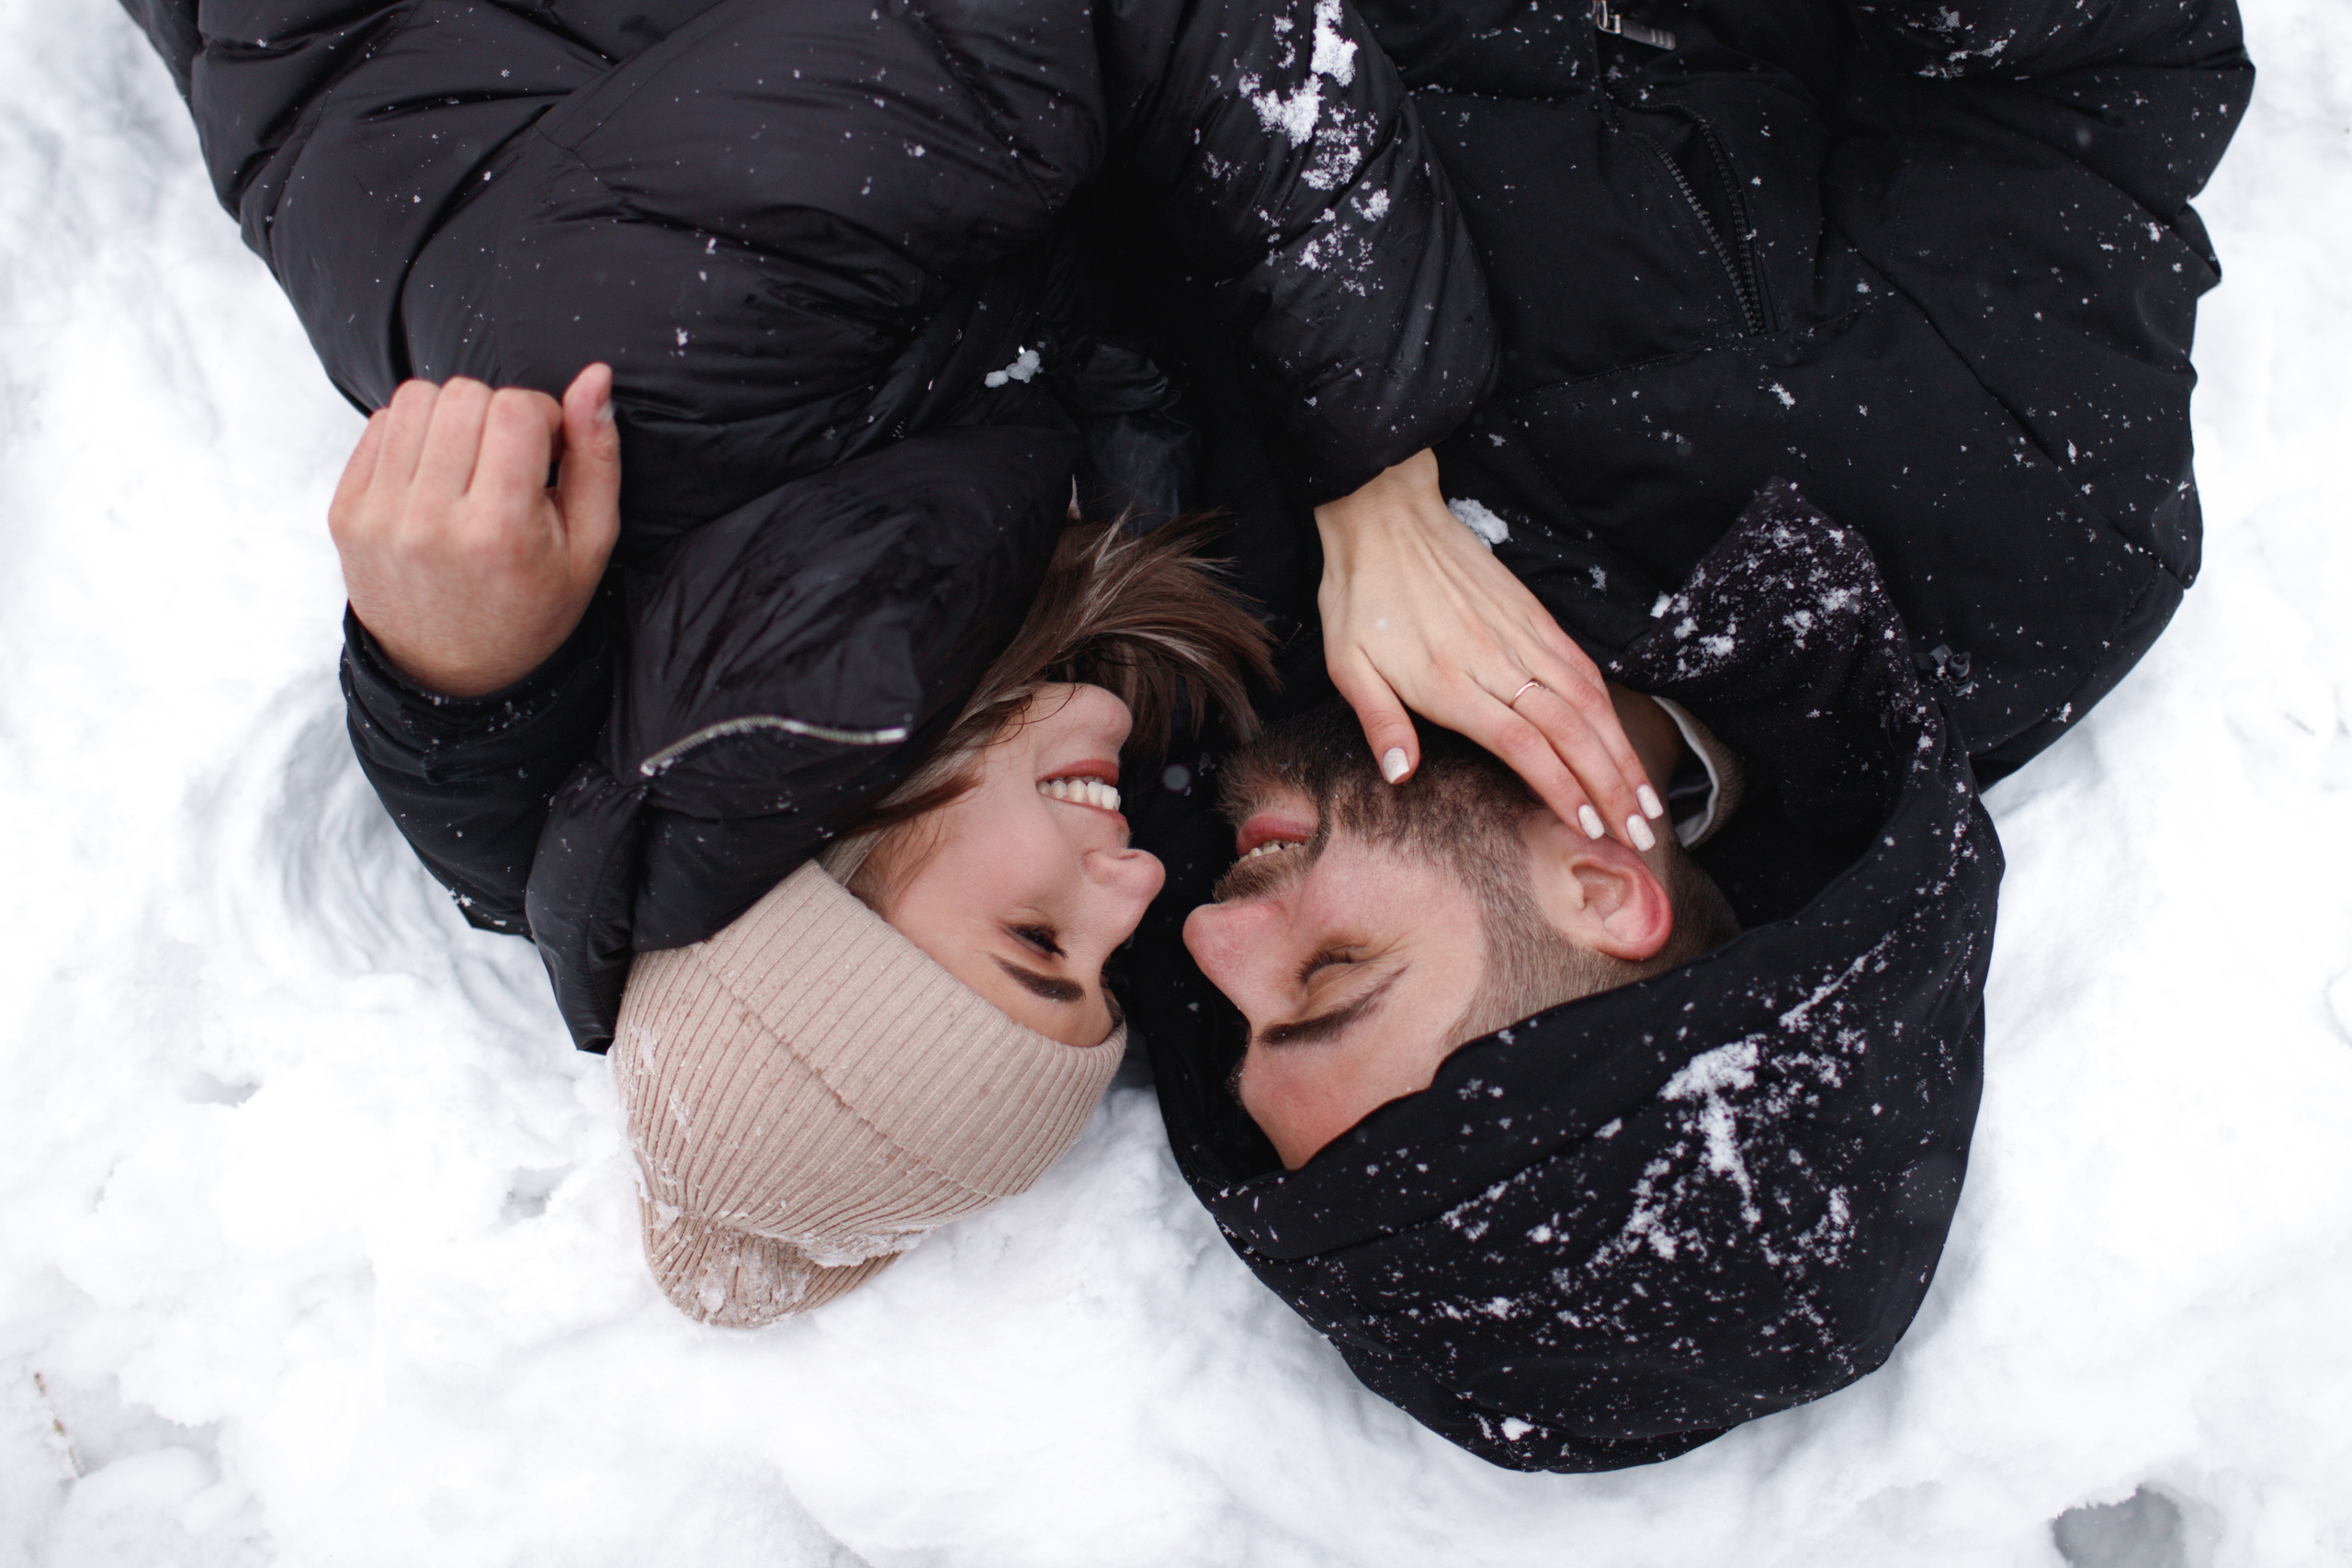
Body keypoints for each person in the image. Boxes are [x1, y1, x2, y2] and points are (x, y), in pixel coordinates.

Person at [1109, 0, 2250, 1471]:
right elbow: (2110, 64)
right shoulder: (2009, 552)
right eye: (1333, 978)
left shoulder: (1162, 716)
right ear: (1606, 896)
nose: (1213, 947)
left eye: (1245, 1028)